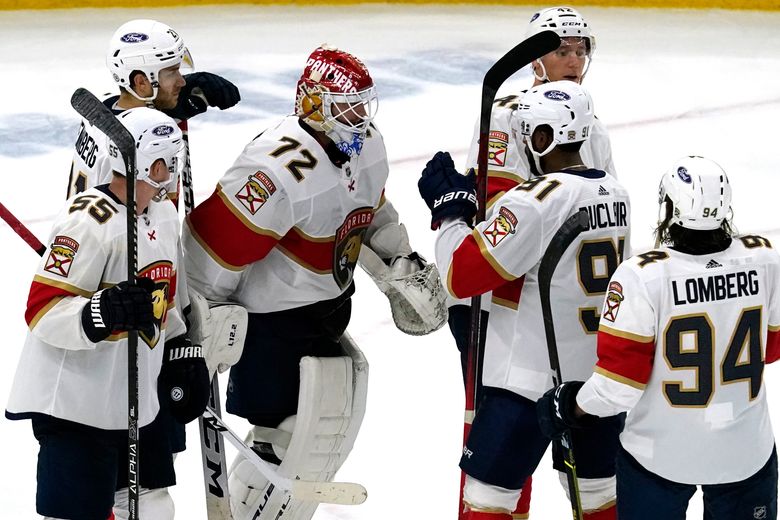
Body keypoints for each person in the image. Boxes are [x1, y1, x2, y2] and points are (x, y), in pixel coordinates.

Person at [182, 44, 443, 520]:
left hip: (326, 312)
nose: (359, 120)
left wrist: (395, 262)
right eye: (346, 108)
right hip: (270, 328)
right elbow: (207, 255)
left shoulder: (367, 144)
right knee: (288, 442)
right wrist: (203, 326)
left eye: (364, 106)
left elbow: (371, 210)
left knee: (322, 436)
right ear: (311, 105)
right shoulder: (274, 170)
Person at [419, 80, 630, 520]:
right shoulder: (615, 192)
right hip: (594, 382)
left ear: (541, 139)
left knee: (488, 499)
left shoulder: (533, 203)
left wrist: (452, 213)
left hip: (525, 384)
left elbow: (462, 276)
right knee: (597, 497)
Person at [537, 156, 779, 520]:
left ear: (669, 208)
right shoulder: (764, 258)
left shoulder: (641, 275)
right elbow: (771, 350)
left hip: (660, 455)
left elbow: (618, 388)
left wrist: (568, 403)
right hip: (745, 452)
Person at [5, 107, 209, 520]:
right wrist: (101, 311)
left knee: (154, 508)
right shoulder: (88, 221)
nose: (172, 166)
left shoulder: (164, 214)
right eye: (166, 158)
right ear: (143, 161)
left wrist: (181, 352)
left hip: (135, 397)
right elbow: (42, 310)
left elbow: (167, 298)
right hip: (75, 404)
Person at [450, 7, 615, 516]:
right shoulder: (507, 115)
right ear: (534, 58)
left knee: (520, 465)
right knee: (504, 465)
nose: (571, 59)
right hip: (503, 310)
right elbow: (502, 213)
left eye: (578, 50)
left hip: (560, 311)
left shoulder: (587, 115)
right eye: (559, 50)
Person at [67, 18, 241, 203]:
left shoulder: (102, 106)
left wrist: (169, 108)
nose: (182, 82)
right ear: (141, 82)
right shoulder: (142, 146)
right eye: (172, 72)